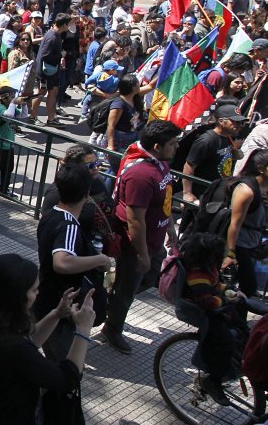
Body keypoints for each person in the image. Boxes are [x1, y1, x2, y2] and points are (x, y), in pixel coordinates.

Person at [0, 254, 97, 424]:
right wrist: (83, 328)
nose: (38, 293)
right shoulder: (12, 346)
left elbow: (28, 343)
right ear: (15, 296)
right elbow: (67, 379)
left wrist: (56, 314)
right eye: (33, 290)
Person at [102, 120, 182, 354]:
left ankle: (112, 295)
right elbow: (135, 219)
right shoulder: (141, 175)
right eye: (172, 144)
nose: (176, 148)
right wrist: (141, 254)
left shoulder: (161, 164)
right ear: (157, 146)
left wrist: (170, 228)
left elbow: (164, 201)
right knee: (128, 288)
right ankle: (112, 328)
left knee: (149, 279)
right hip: (136, 244)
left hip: (154, 240)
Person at [35, 164, 114, 365]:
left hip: (47, 298)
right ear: (86, 195)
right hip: (60, 305)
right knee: (64, 367)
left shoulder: (51, 214)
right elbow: (62, 262)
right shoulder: (68, 225)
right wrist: (101, 260)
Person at [180, 232, 249, 405]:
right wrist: (225, 299)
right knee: (225, 341)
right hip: (204, 312)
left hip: (217, 306)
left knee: (242, 327)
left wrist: (229, 290)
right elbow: (206, 301)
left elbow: (216, 285)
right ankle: (213, 380)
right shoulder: (197, 275)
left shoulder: (208, 269)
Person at [225, 148, 268, 304]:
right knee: (248, 287)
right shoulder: (246, 190)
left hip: (253, 243)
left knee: (244, 288)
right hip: (239, 243)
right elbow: (234, 223)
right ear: (261, 169)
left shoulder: (264, 188)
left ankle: (235, 321)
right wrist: (230, 253)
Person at [183, 103, 246, 202]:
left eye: (241, 122)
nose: (239, 126)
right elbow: (189, 166)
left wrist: (235, 153)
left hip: (219, 190)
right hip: (203, 193)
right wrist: (187, 193)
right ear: (221, 121)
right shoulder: (206, 140)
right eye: (235, 122)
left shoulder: (227, 136)